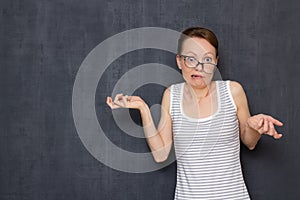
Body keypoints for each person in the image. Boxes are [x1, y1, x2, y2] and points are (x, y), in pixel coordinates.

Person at [106, 27, 283, 199]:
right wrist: (143, 108)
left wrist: (255, 128)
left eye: (207, 60)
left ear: (215, 63)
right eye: (191, 59)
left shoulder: (233, 91)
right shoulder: (171, 95)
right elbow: (161, 154)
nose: (199, 67)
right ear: (179, 61)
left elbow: (250, 143)